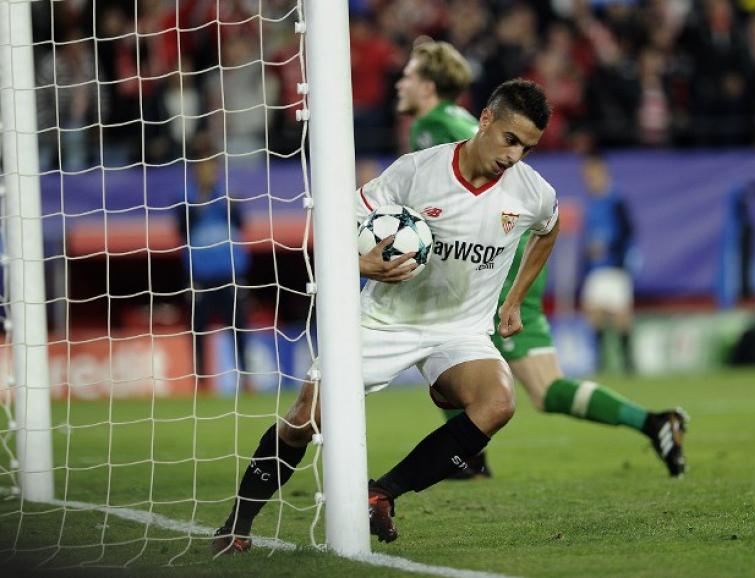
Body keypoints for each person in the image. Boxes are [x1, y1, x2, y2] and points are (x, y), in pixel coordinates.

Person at [212, 79, 559, 553]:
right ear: (485, 120)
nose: (514, 156)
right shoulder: (417, 172)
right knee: (304, 419)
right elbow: (340, 223)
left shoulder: (531, 192)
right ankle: (237, 524)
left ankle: (381, 493)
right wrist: (360, 264)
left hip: (460, 330)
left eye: (527, 148)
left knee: (498, 402)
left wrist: (514, 299)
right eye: (510, 139)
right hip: (384, 321)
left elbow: (549, 227)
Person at [395, 41, 688, 482]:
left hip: (491, 274)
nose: (400, 83)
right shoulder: (467, 123)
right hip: (515, 266)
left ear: (428, 86)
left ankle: (466, 460)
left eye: (409, 75)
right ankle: (654, 423)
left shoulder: (432, 126)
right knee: (547, 389)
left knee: (442, 341)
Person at [176, 141, 250, 387]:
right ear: (195, 170)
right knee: (198, 330)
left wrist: (228, 202)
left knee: (239, 328)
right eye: (202, 166)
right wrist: (203, 198)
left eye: (210, 166)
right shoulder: (186, 197)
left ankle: (246, 378)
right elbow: (182, 228)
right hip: (200, 277)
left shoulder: (228, 194)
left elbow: (241, 223)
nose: (207, 171)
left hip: (230, 275)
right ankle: (201, 381)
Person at [580, 153, 636, 373]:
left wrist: (610, 248)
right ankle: (600, 363)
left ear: (604, 173)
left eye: (593, 175)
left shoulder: (616, 200)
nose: (590, 180)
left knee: (621, 314)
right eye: (587, 176)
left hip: (615, 267)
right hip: (595, 269)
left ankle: (628, 364)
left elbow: (628, 230)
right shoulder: (591, 203)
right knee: (594, 313)